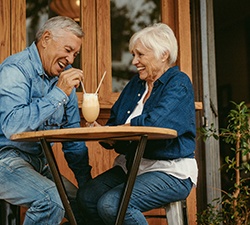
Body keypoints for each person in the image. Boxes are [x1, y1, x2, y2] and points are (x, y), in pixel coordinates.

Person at [77, 23, 198, 225]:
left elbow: (154, 124)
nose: (134, 61)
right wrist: (106, 135)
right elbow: (115, 122)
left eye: (140, 55)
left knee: (111, 205)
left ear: (163, 54)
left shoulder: (179, 83)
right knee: (87, 197)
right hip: (132, 166)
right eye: (134, 54)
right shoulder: (135, 84)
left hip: (170, 170)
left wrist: (117, 131)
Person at [0, 16, 91, 225]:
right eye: (68, 50)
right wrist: (59, 93)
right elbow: (13, 125)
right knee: (51, 201)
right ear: (46, 39)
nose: (70, 60)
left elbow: (72, 137)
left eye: (75, 54)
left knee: (86, 208)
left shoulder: (64, 77)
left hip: (39, 162)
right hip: (4, 159)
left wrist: (87, 187)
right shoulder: (15, 70)